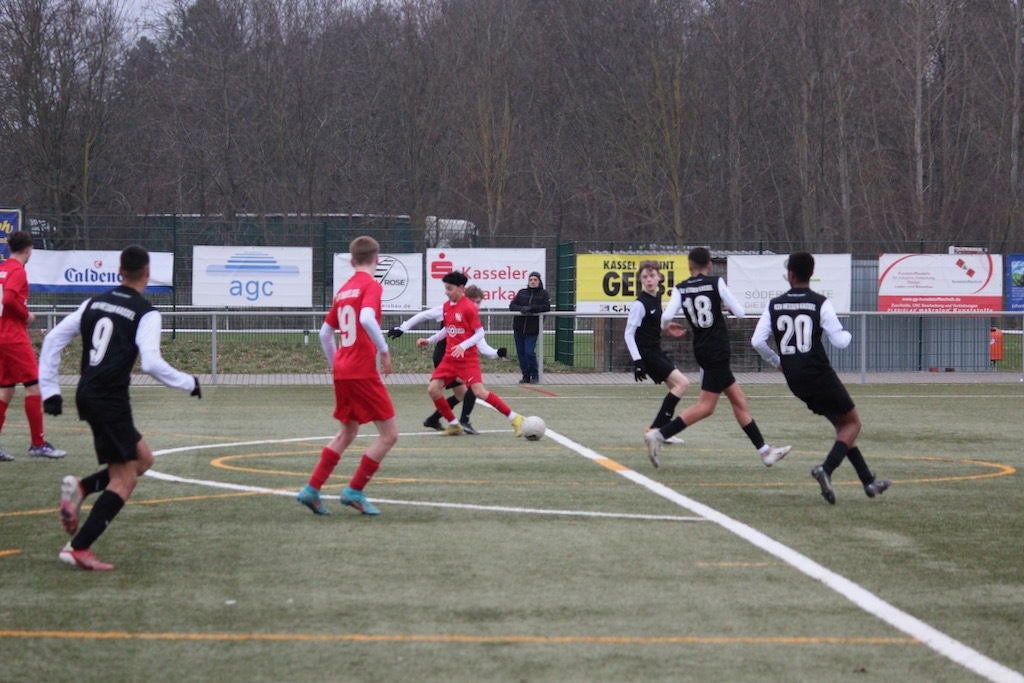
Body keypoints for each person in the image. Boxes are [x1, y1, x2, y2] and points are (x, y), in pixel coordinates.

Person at [38, 245, 201, 570]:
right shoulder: (146, 312)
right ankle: (78, 548)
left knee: (144, 459)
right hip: (109, 400)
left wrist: (51, 391)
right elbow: (151, 363)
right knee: (125, 479)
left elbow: (53, 338)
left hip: (88, 394)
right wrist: (189, 382)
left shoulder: (92, 303)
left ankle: (82, 488)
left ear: (119, 272)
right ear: (147, 273)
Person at [751, 251, 890, 505]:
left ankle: (868, 482)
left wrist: (777, 362)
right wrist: (848, 334)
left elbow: (757, 341)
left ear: (790, 275)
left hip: (795, 380)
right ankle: (825, 469)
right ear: (811, 274)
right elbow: (840, 342)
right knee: (853, 425)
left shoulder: (774, 304)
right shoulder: (820, 302)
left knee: (843, 428)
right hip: (818, 373)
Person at [645, 248, 791, 468]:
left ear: (689, 266)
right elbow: (740, 312)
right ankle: (659, 434)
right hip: (718, 350)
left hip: (702, 349)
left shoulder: (681, 288)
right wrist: (726, 306)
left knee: (739, 400)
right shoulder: (716, 283)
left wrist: (667, 326)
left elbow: (666, 317)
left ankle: (765, 452)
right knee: (706, 407)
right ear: (710, 265)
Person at [297, 236, 397, 516]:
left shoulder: (343, 291)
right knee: (389, 435)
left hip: (343, 371)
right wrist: (384, 350)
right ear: (377, 260)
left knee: (348, 431)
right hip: (362, 371)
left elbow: (324, 334)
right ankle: (354, 490)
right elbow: (366, 318)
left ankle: (312, 489)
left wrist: (337, 364)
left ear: (352, 261)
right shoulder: (371, 286)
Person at [388, 286, 507, 435]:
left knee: (461, 394)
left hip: (456, 360)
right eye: (473, 301)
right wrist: (402, 328)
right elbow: (424, 315)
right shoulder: (450, 307)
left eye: (478, 302)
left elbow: (481, 344)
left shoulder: (471, 317)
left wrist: (496, 353)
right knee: (472, 387)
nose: (475, 306)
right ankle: (464, 422)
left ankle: (434, 419)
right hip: (445, 358)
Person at [419, 270, 525, 437]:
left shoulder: (468, 308)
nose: (446, 292)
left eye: (449, 288)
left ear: (461, 288)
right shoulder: (447, 306)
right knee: (433, 389)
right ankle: (454, 424)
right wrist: (430, 340)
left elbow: (480, 333)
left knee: (479, 392)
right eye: (445, 288)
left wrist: (463, 345)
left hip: (467, 360)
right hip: (449, 359)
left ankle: (515, 418)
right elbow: (447, 329)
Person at [0, 230, 66, 462]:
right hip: (13, 337)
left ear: (10, 247)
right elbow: (8, 299)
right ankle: (38, 444)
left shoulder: (3, 268)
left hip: (2, 335)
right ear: (28, 250)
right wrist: (26, 315)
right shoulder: (17, 270)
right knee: (34, 386)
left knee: (6, 390)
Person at [624, 260, 691, 466]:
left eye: (652, 275)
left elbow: (653, 323)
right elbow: (629, 334)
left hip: (657, 350)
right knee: (683, 384)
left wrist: (667, 326)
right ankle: (655, 430)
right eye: (644, 277)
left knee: (674, 388)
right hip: (647, 355)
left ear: (659, 277)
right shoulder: (639, 304)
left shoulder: (657, 297)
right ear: (640, 280)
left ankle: (664, 431)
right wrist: (637, 361)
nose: (649, 280)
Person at [508, 272, 550, 383]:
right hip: (519, 328)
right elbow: (512, 306)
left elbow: (546, 307)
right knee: (521, 353)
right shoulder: (522, 293)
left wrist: (531, 308)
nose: (532, 282)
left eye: (535, 280)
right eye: (531, 279)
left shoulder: (543, 294)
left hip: (532, 329)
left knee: (529, 352)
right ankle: (526, 375)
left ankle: (535, 375)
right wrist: (522, 309)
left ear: (539, 281)